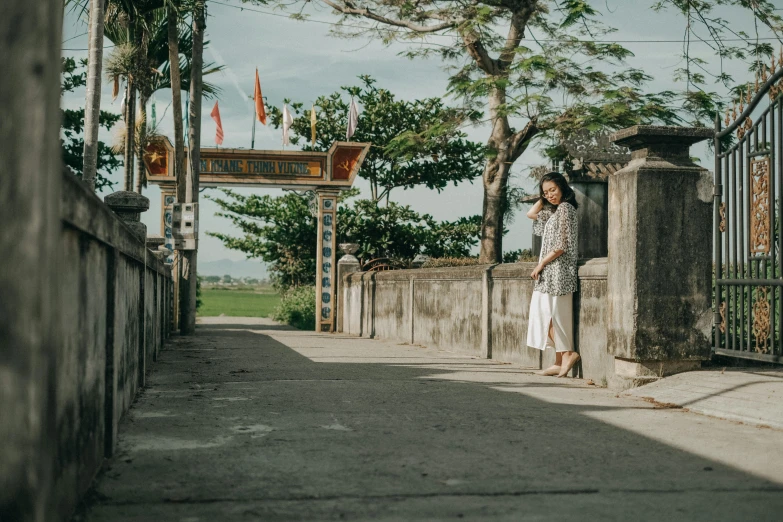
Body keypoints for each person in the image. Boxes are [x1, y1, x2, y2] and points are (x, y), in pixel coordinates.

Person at [525, 172, 580, 377]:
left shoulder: (566, 209)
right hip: (549, 271)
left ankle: (568, 354)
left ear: (563, 188)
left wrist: (540, 265)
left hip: (560, 271)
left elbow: (562, 245)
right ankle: (559, 359)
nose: (549, 195)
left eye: (553, 190)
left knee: (556, 315)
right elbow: (531, 214)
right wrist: (543, 197)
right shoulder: (554, 213)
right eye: (545, 192)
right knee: (545, 315)